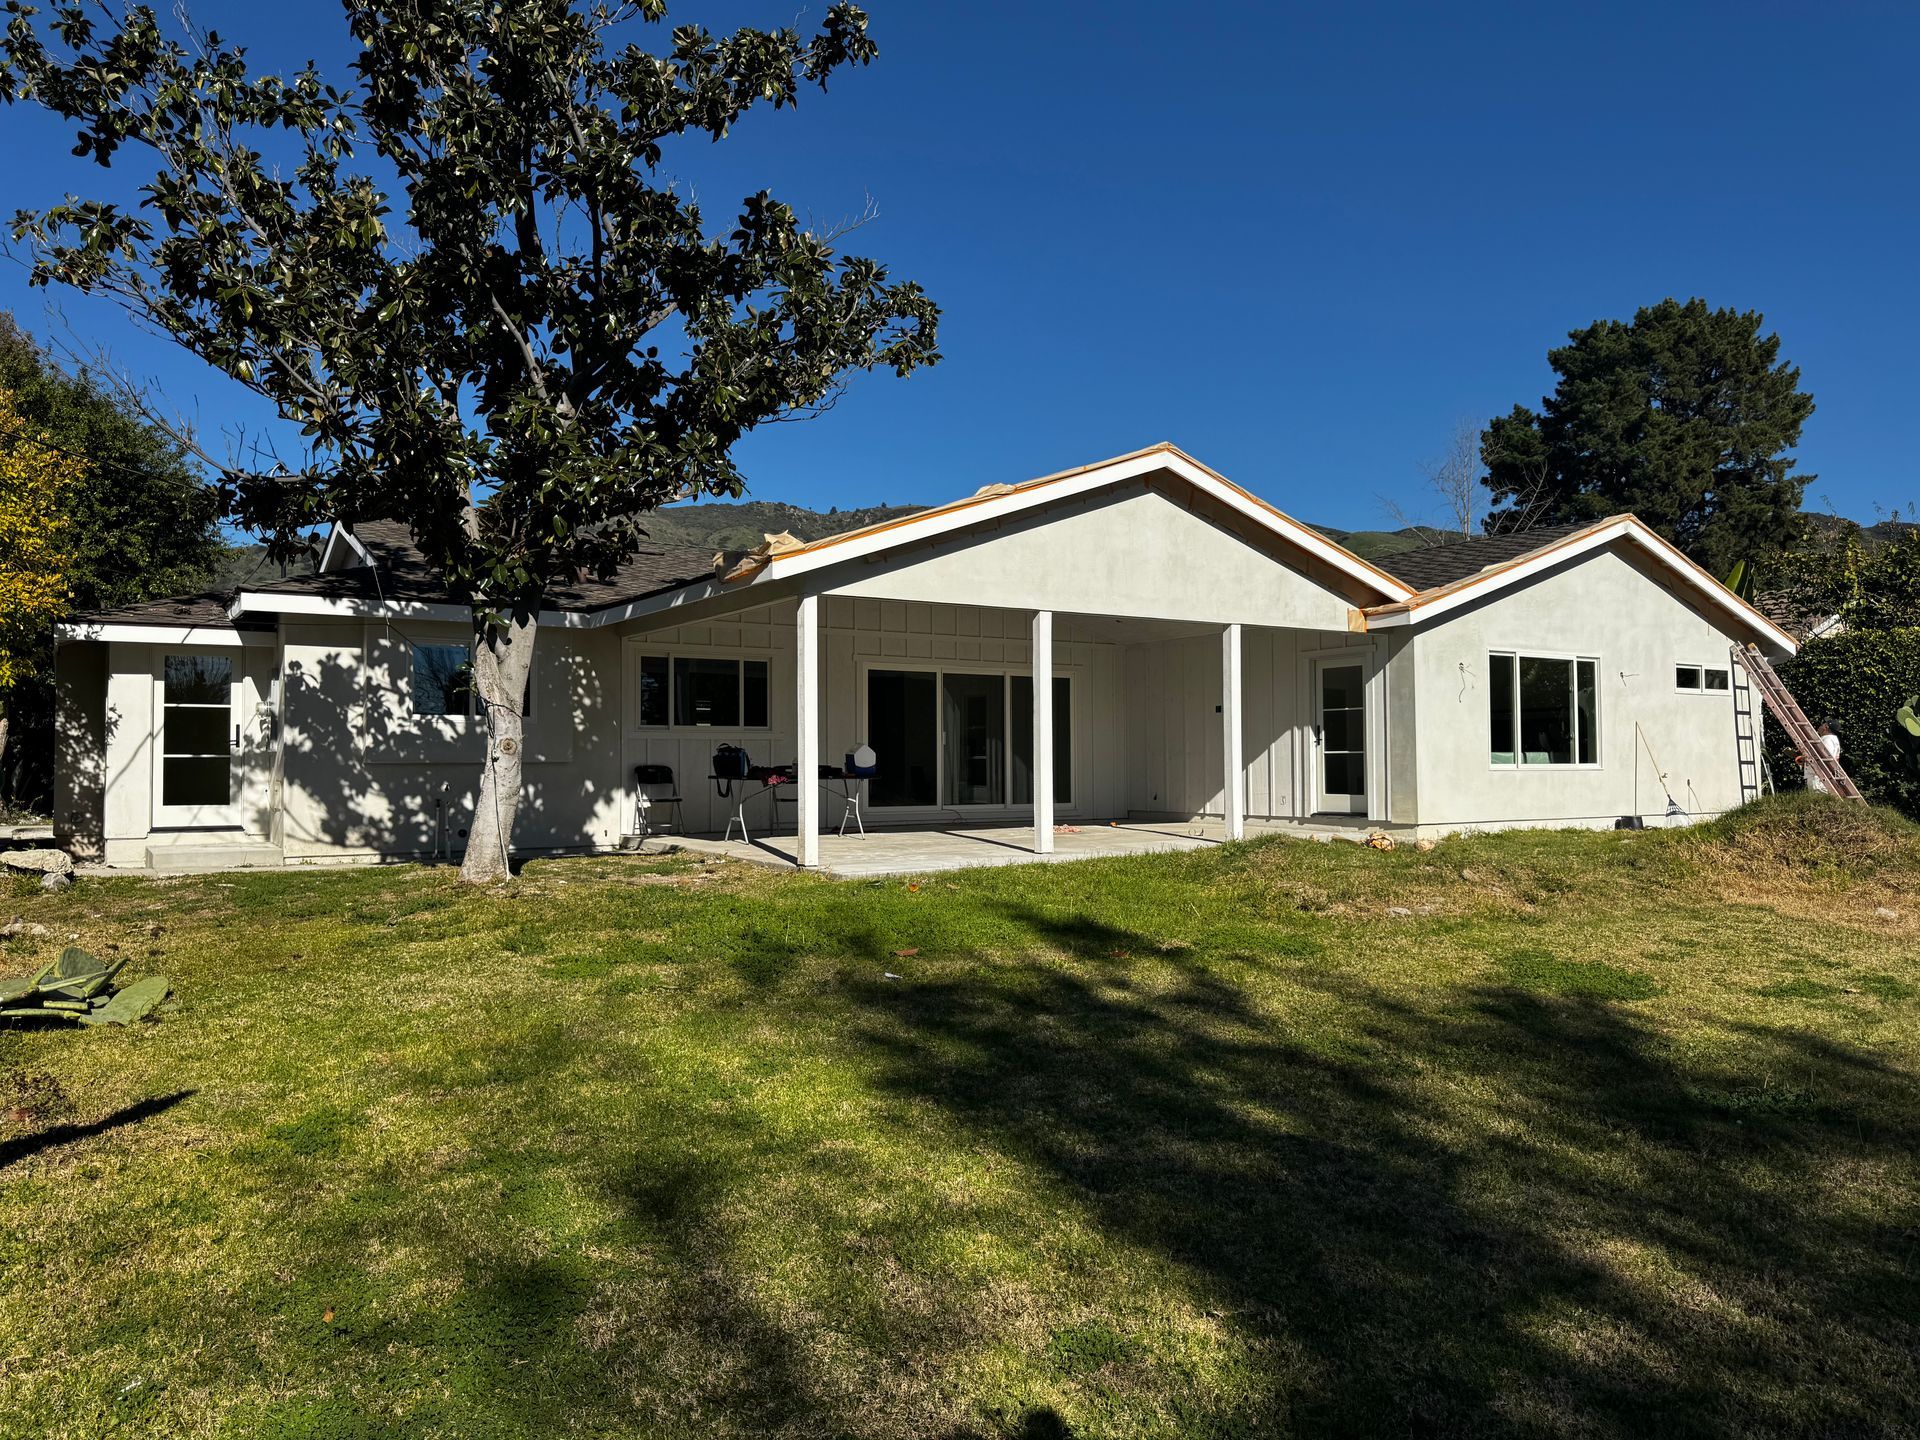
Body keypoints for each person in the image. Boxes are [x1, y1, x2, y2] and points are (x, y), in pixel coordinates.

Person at [1802, 720, 1843, 794]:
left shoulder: (1827, 739)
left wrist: (1807, 757)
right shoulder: (1833, 739)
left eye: (1822, 725)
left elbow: (1825, 757)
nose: (1819, 726)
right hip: (1821, 776)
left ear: (1826, 727)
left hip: (1818, 777)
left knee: (1818, 800)